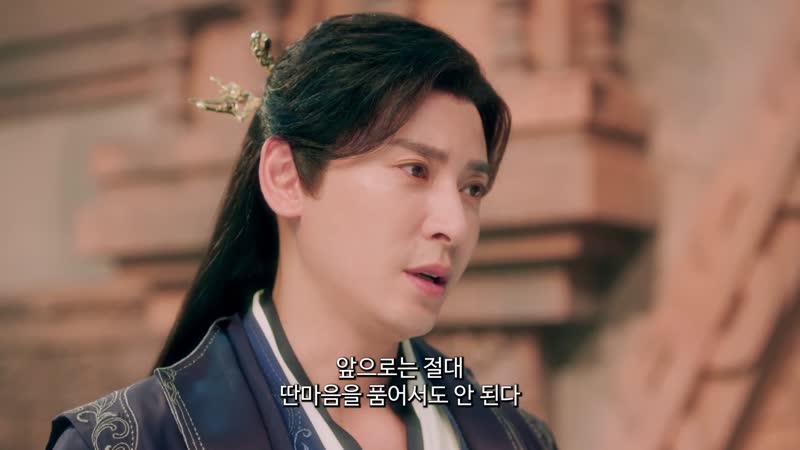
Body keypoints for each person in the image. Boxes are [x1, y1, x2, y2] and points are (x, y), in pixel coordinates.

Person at [46, 13, 558, 450]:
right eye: (415, 170)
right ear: (285, 178)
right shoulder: (131, 440)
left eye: (472, 189)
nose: (454, 225)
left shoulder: (518, 438)